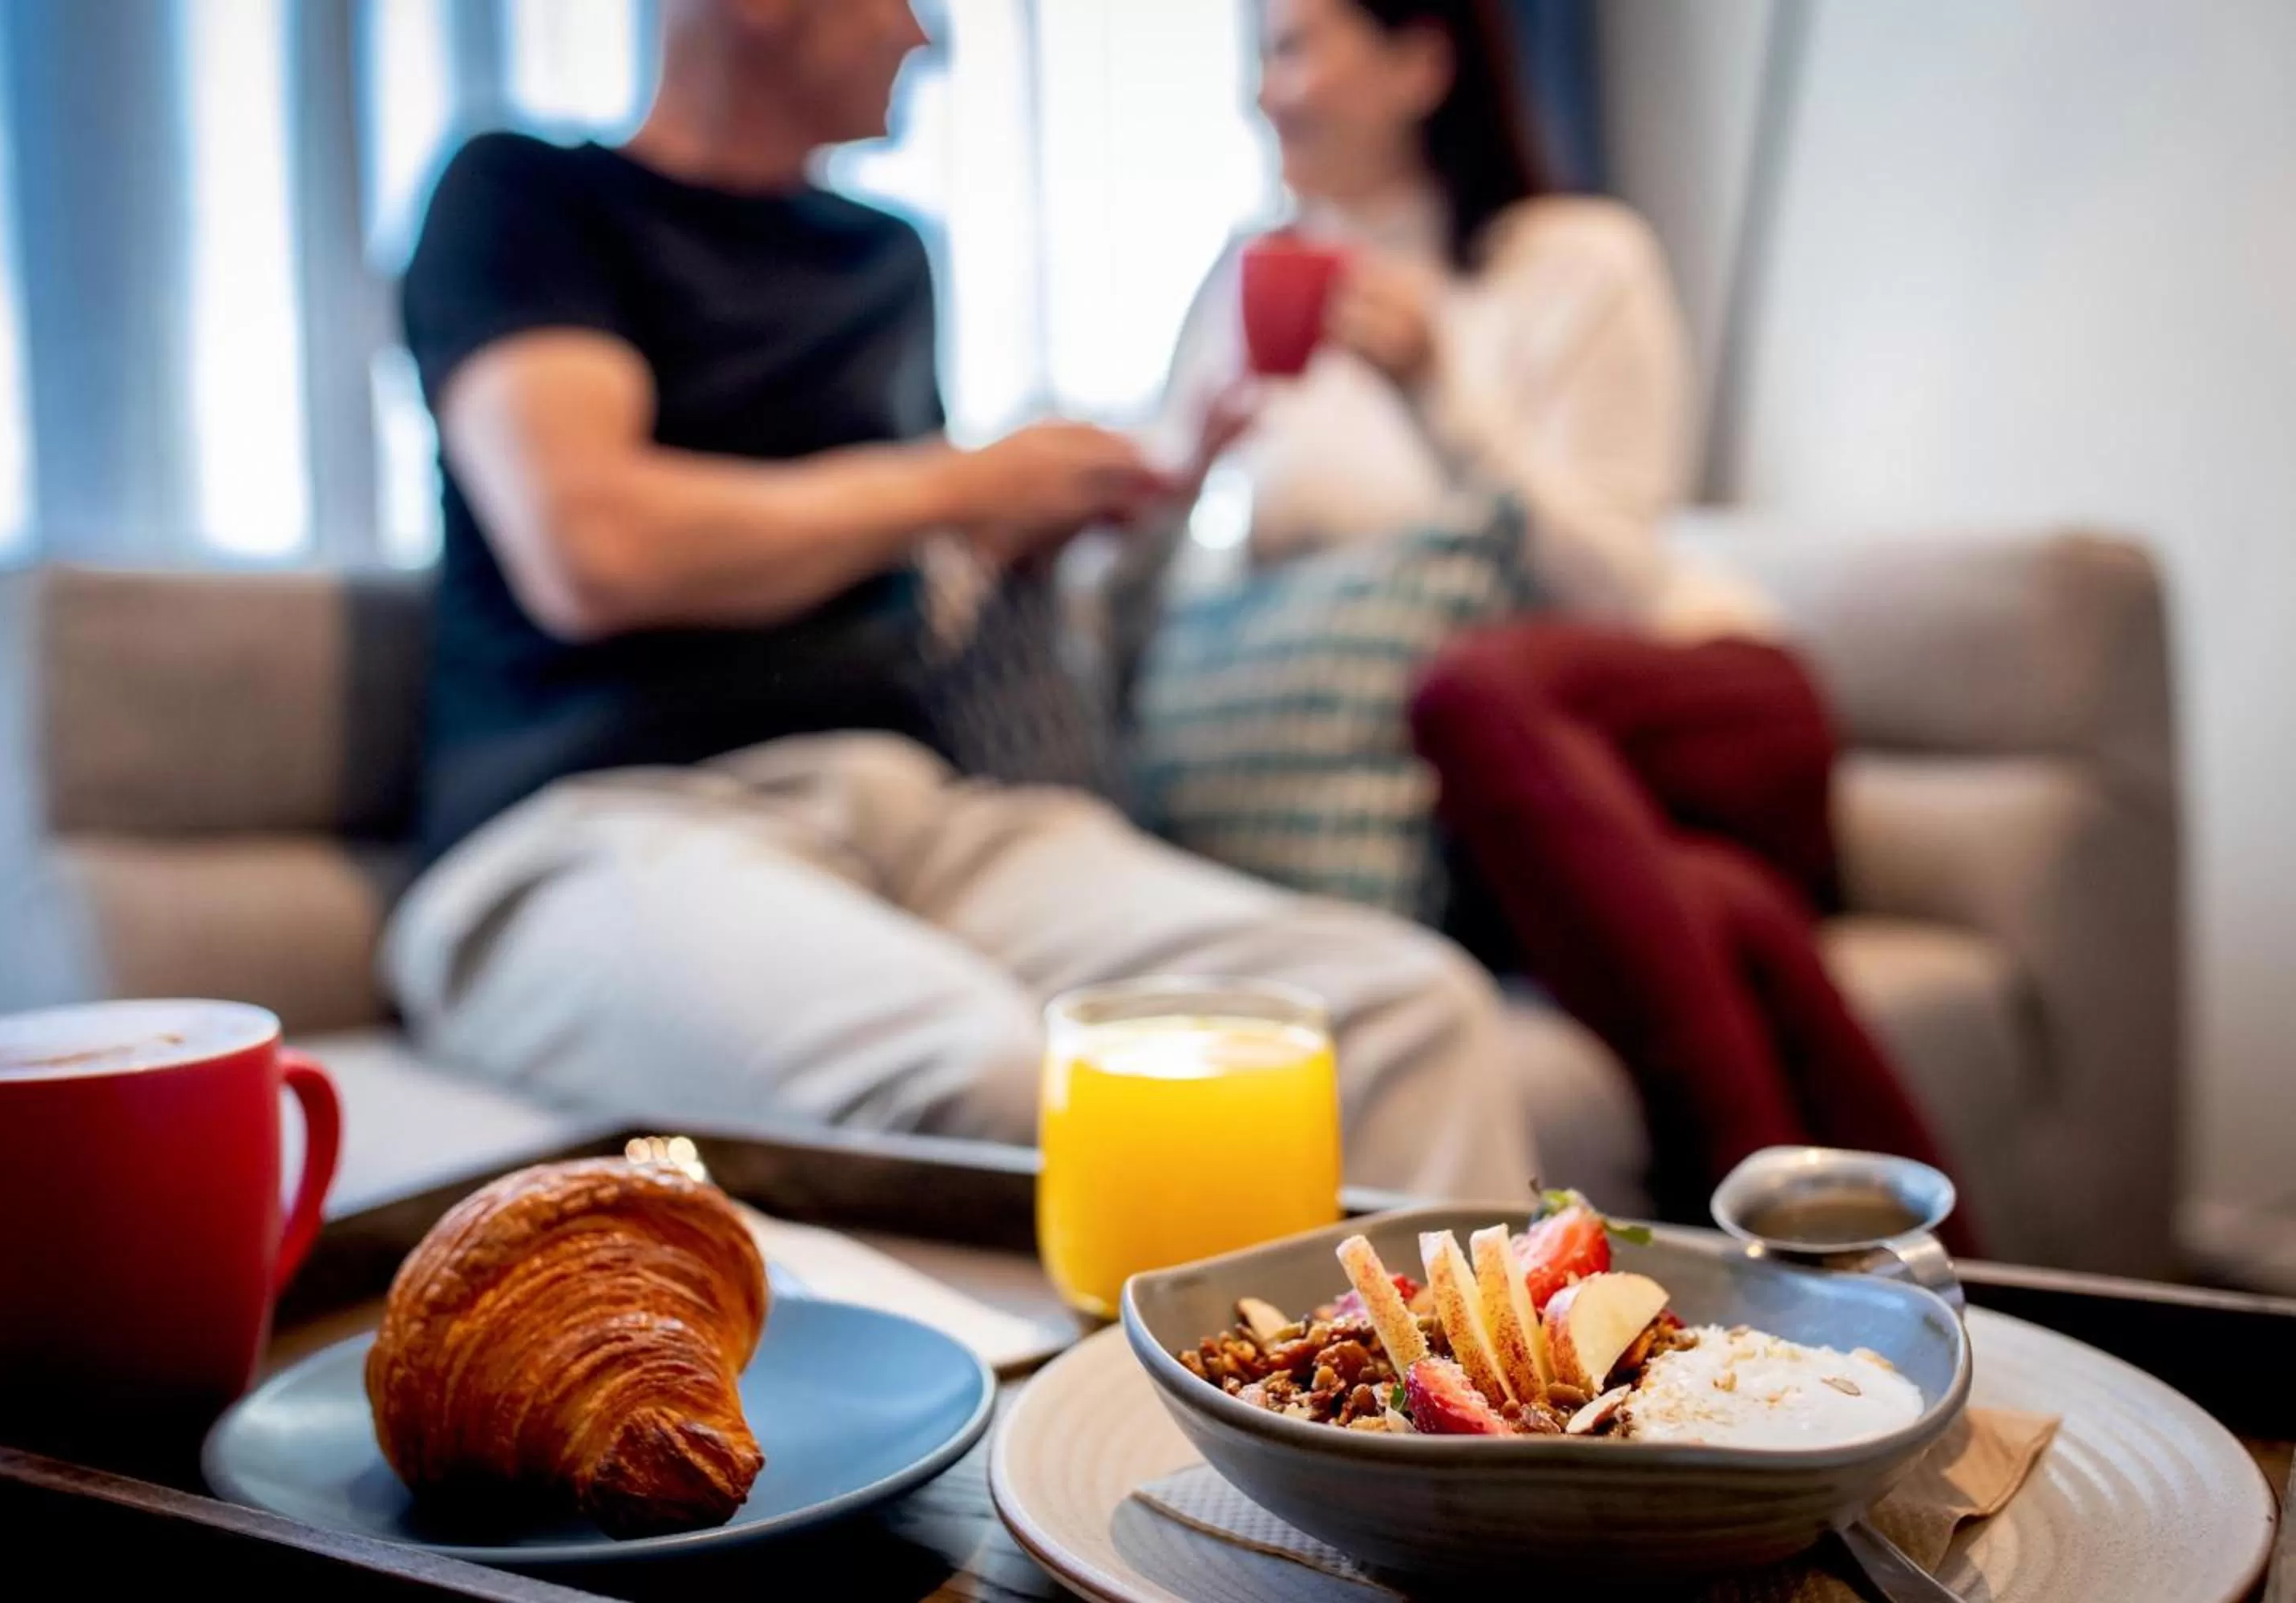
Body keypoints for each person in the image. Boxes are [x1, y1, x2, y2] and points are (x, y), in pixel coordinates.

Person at [378, 0, 1534, 1199]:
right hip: (592, 826)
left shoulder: (883, 256)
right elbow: (592, 550)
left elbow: (899, 551)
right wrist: (956, 480)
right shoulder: (522, 195)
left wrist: (1087, 497)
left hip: (911, 815)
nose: (928, 41)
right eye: (907, 1)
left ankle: (1473, 1389)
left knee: (1408, 1013)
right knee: (986, 1080)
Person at [1152, 0, 1963, 1222]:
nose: (1267, 91)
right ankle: (1970, 1291)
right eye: (1262, 54)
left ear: (1423, 62)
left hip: (1689, 706)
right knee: (1717, 908)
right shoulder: (1239, 287)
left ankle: (1754, 1241)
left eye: (1297, 46)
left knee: (1469, 687)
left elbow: (1622, 579)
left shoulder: (1576, 259)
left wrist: (1443, 391)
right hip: (1502, 805)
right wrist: (1178, 478)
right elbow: (1207, 585)